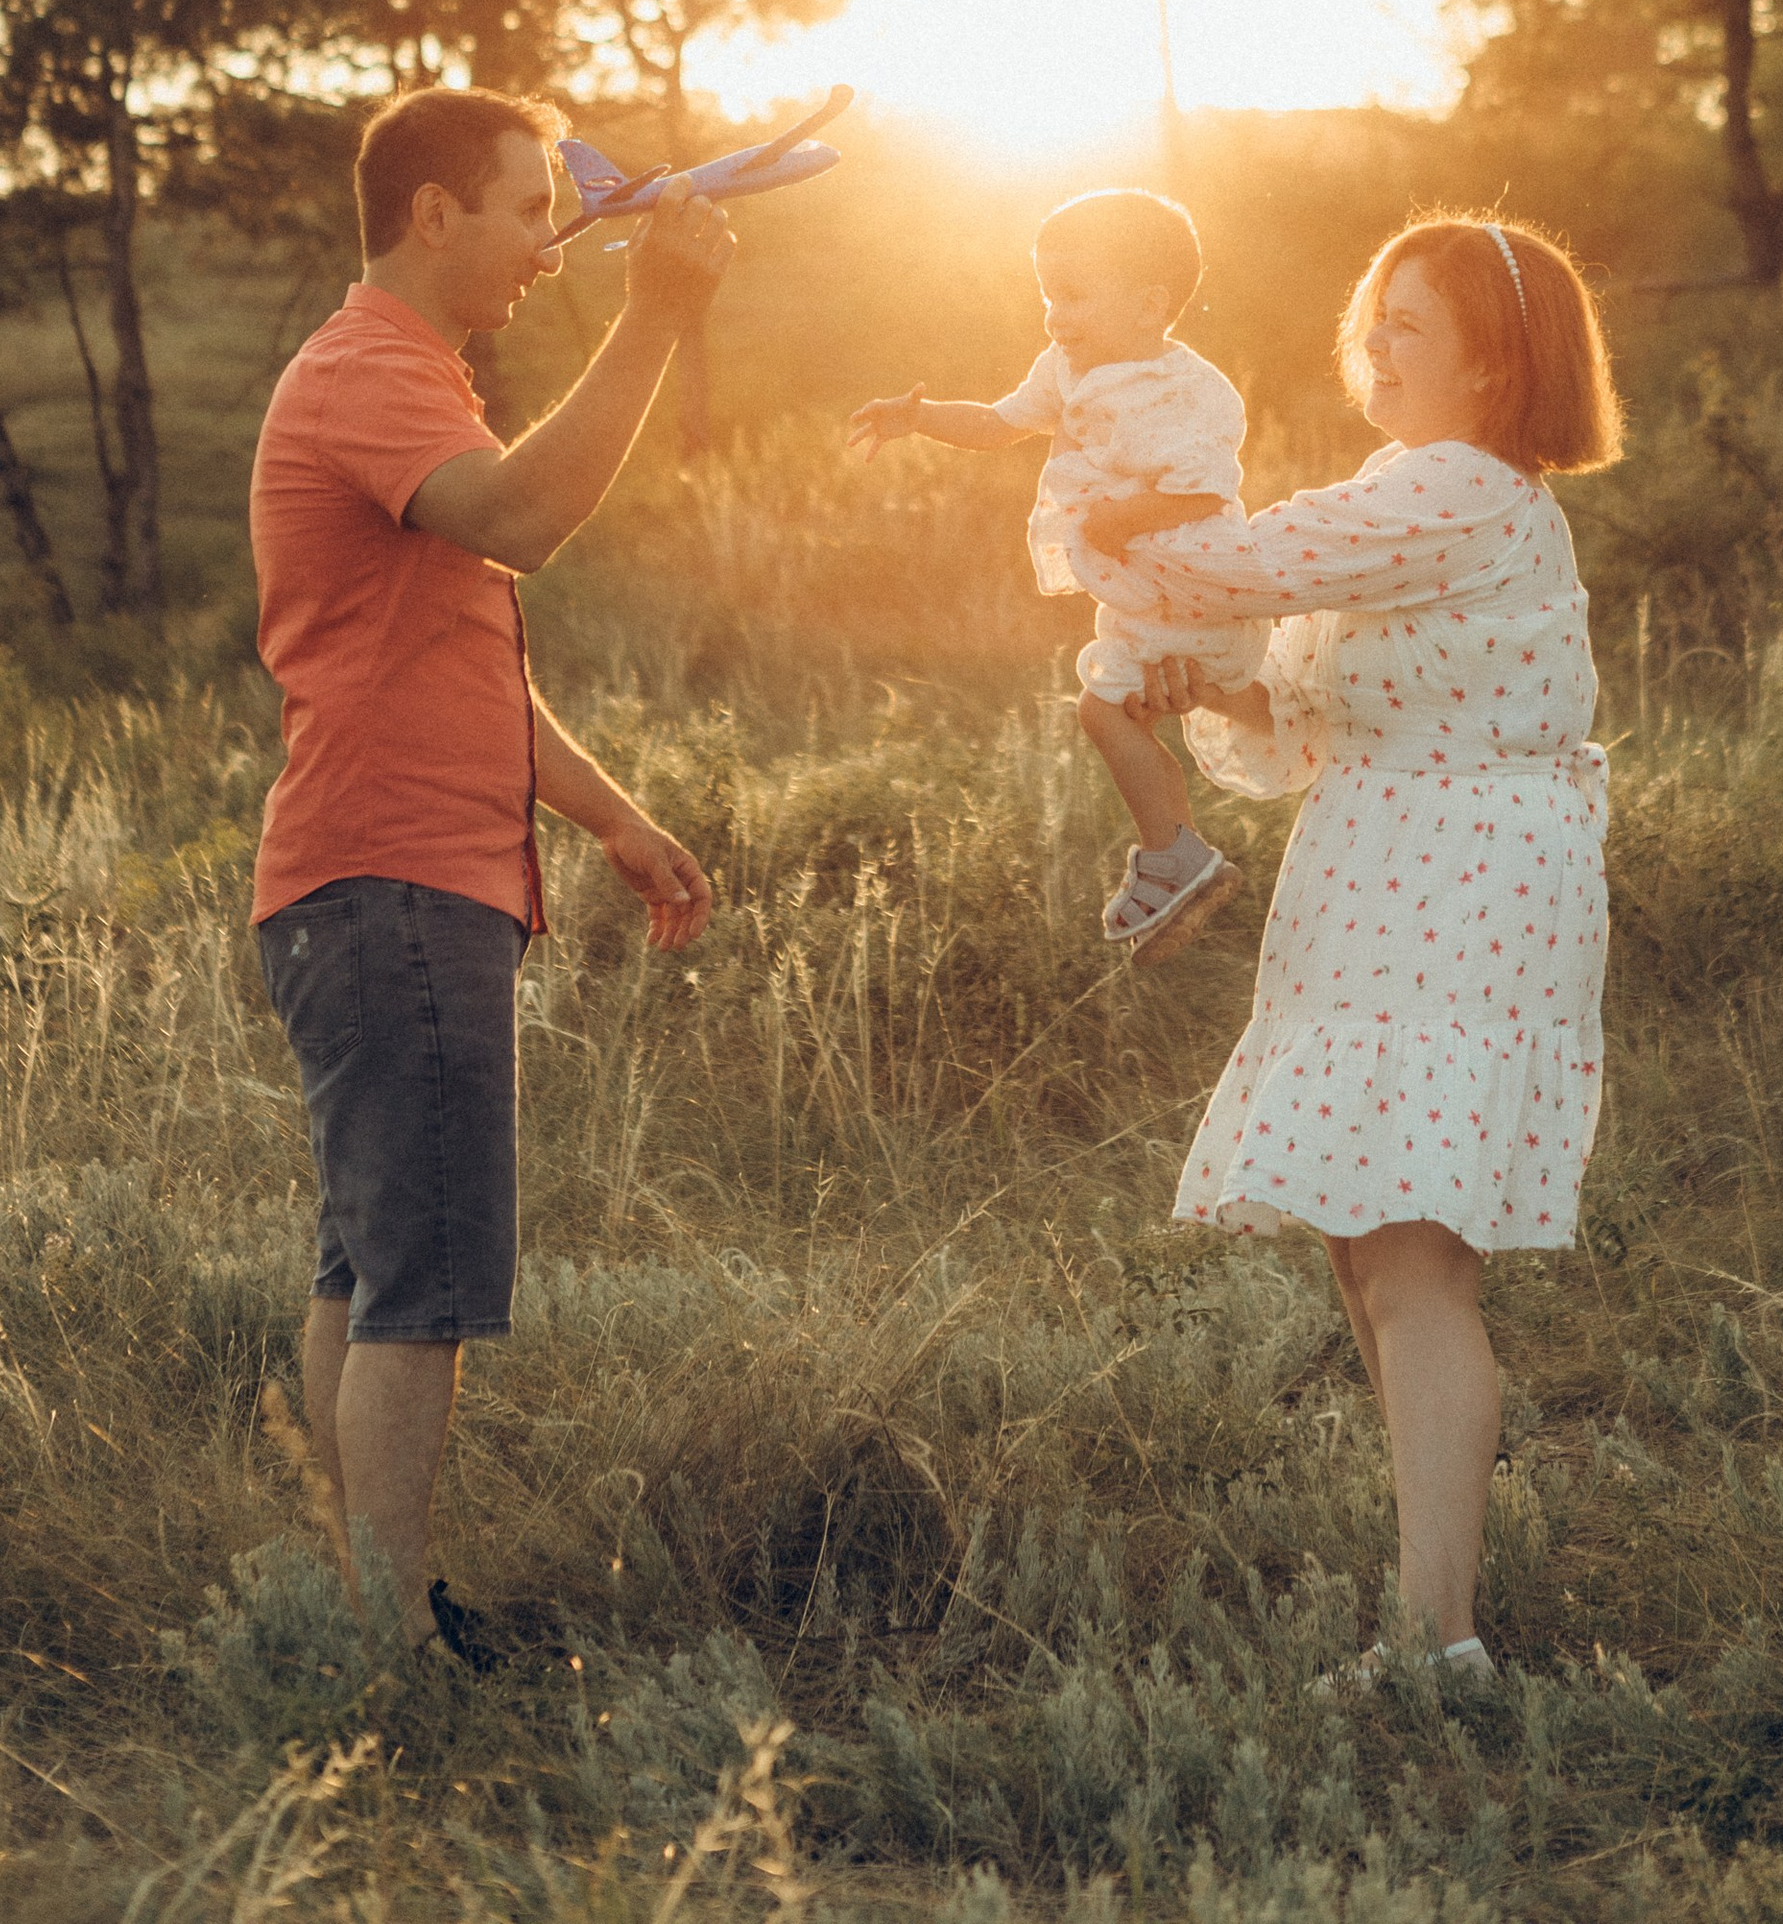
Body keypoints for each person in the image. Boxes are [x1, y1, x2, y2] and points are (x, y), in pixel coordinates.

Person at [1078, 210, 1621, 1685]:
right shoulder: (1413, 487)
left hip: (1461, 879)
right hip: (1393, 870)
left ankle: (1440, 1642)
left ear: (1493, 367)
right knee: (1371, 1251)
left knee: (1412, 1263)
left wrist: (1105, 509)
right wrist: (1216, 692)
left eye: (1409, 326)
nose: (1374, 345)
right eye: (1371, 318)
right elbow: (1313, 718)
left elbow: (1238, 564)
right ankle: (1429, 1620)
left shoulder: (1461, 487)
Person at [248, 84, 730, 1661]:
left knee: (368, 1265)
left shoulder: (407, 376)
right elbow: (524, 519)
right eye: (531, 210)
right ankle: (395, 1644)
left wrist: (612, 818)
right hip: (394, 884)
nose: (552, 244)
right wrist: (658, 315)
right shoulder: (371, 371)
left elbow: (458, 666)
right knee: (426, 1283)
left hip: (374, 879)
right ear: (434, 213)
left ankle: (369, 1608)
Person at [847, 188, 1269, 952]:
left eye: (1072, 295)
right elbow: (999, 423)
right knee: (1124, 710)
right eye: (1047, 295)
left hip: (1194, 584)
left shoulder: (1190, 390)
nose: (1054, 315)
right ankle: (1178, 852)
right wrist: (921, 417)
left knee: (1104, 711)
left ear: (1150, 305)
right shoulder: (1065, 369)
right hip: (1143, 596)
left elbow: (1206, 490)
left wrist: (1120, 519)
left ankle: (1177, 855)